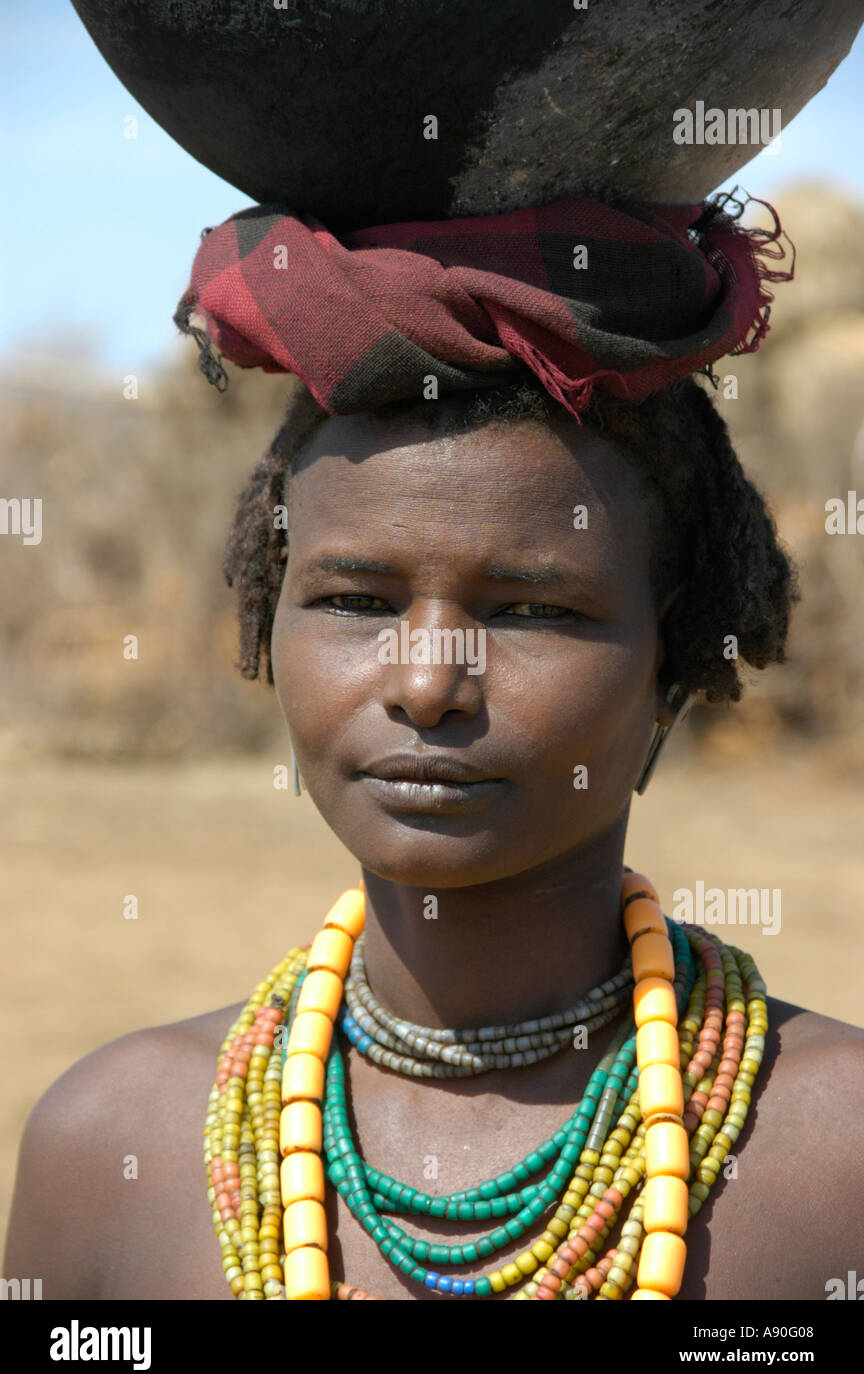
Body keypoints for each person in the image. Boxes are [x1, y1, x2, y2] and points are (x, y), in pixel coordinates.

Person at [4, 192, 863, 1301]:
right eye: (355, 601)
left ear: (677, 662)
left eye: (531, 612)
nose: (426, 683)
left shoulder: (830, 1157)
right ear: (269, 623)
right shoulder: (110, 1149)